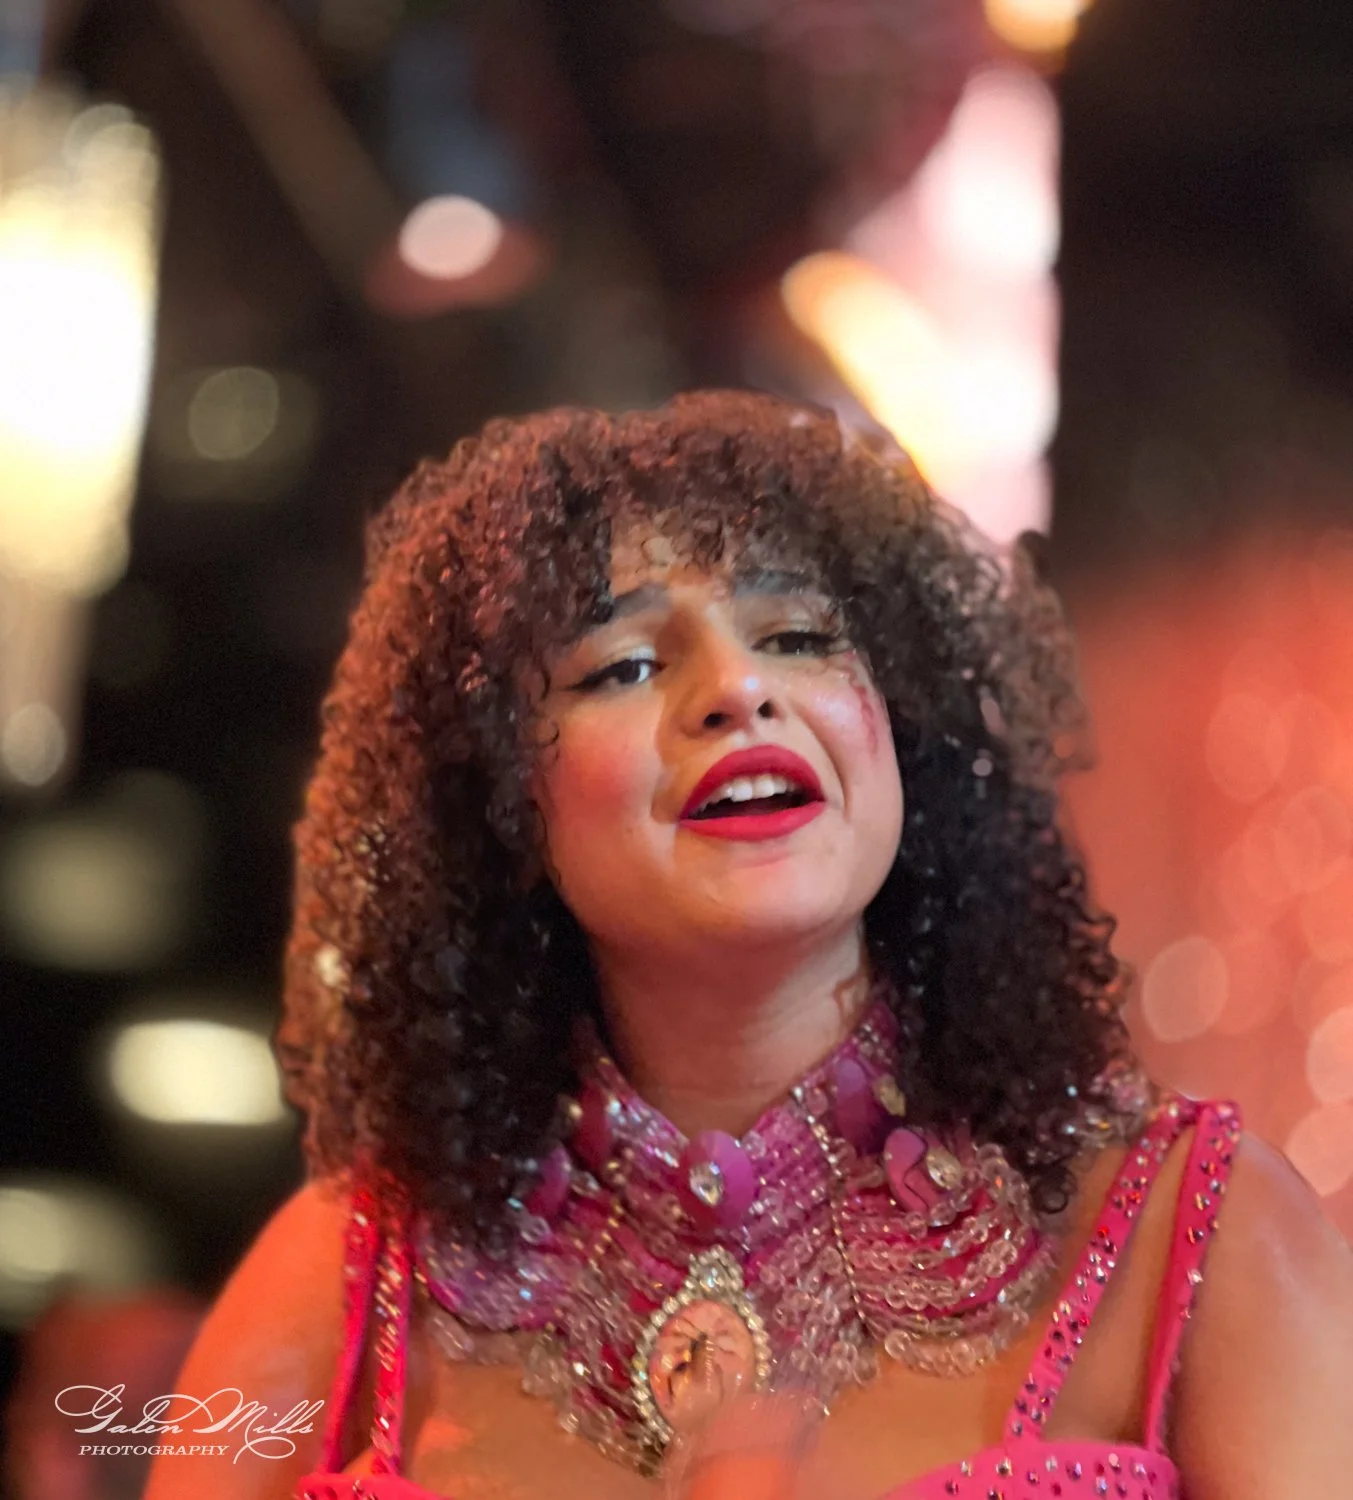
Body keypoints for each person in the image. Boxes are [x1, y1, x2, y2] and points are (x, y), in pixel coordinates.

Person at [145, 390, 1353, 1500]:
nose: (737, 690)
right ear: (500, 808)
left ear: (906, 737)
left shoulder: (1192, 1229)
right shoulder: (354, 1275)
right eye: (621, 664)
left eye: (802, 638)